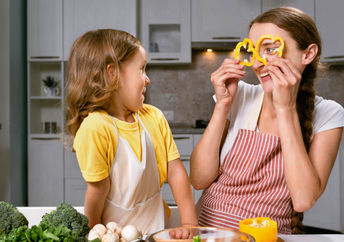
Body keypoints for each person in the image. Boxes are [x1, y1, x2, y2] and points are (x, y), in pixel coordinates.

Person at [190, 7, 344, 234]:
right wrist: (222, 106)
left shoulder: (329, 114)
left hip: (270, 236)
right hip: (207, 231)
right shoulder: (239, 95)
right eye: (254, 52)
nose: (258, 63)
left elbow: (303, 200)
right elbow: (198, 179)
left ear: (308, 54)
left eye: (271, 49)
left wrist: (286, 108)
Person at [65, 29, 198, 235]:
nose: (147, 79)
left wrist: (190, 224)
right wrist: (94, 234)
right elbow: (96, 192)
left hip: (157, 232)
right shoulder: (96, 128)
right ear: (112, 74)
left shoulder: (153, 117)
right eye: (141, 69)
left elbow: (176, 173)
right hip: (116, 237)